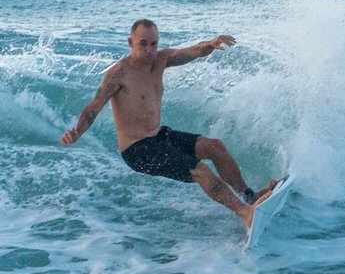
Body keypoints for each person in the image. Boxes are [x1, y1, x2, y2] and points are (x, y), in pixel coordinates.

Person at [60, 18, 278, 228]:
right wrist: (77, 132)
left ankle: (249, 197)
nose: (149, 50)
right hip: (137, 150)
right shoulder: (119, 74)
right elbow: (94, 107)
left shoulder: (160, 60)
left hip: (158, 136)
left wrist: (210, 44)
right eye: (143, 44)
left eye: (153, 44)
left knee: (215, 147)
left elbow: (190, 52)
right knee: (200, 170)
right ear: (130, 42)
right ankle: (245, 213)